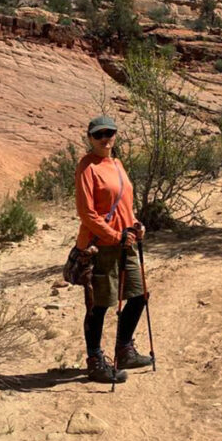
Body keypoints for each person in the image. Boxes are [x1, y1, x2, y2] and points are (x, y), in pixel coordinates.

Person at [75, 116, 153, 384]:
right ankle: (95, 361)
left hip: (125, 242)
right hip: (101, 246)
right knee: (99, 305)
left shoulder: (117, 164)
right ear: (90, 138)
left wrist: (135, 225)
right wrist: (113, 235)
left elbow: (125, 204)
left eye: (110, 133)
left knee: (139, 294)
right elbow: (86, 213)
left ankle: (124, 349)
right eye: (99, 135)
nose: (105, 138)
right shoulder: (87, 167)